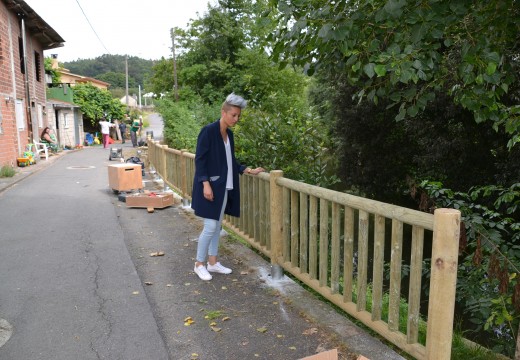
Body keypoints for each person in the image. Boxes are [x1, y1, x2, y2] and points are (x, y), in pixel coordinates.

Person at [191, 93, 265, 281]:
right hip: (210, 186)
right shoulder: (208, 131)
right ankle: (199, 264)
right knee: (210, 226)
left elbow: (229, 161)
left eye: (238, 116)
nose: (236, 119)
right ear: (223, 112)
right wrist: (205, 184)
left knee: (217, 226)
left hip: (224, 186)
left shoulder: (229, 135)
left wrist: (247, 169)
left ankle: (213, 262)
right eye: (233, 115)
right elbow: (200, 160)